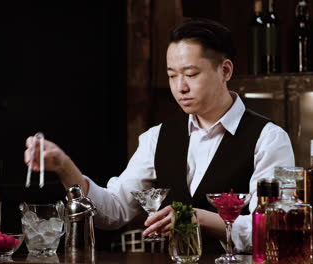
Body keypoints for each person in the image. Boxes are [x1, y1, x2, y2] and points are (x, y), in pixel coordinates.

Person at [24, 19, 294, 253]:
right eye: (172, 75)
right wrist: (63, 166)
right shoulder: (158, 137)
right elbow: (114, 211)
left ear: (225, 70)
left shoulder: (268, 139)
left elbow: (272, 227)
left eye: (191, 74)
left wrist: (196, 218)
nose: (180, 87)